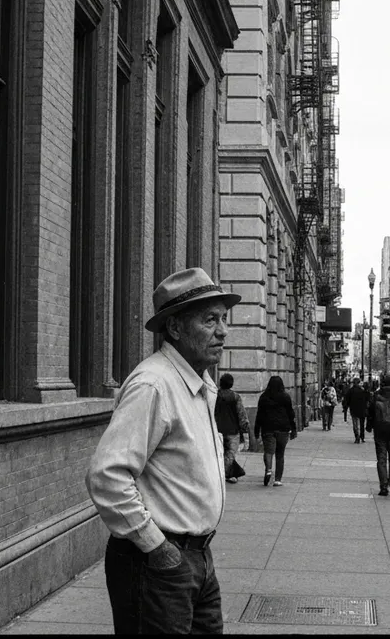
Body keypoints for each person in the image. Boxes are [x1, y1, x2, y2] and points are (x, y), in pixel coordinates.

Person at [87, 267, 240, 634]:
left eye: (223, 319)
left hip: (196, 558)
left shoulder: (197, 383)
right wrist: (157, 547)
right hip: (158, 563)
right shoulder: (154, 385)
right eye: (209, 320)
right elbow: (107, 476)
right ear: (174, 328)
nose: (223, 331)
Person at [254, 376, 298, 486]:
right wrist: (293, 428)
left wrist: (256, 430)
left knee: (268, 451)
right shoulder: (285, 397)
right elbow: (290, 414)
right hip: (283, 428)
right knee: (280, 454)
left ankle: (268, 469)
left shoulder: (264, 397)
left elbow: (259, 414)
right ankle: (278, 479)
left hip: (267, 427)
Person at [216, 373, 249, 483]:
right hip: (232, 430)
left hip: (216, 429)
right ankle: (226, 474)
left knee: (219, 453)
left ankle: (223, 473)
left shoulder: (215, 395)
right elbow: (241, 414)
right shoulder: (235, 397)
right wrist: (245, 429)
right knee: (230, 453)